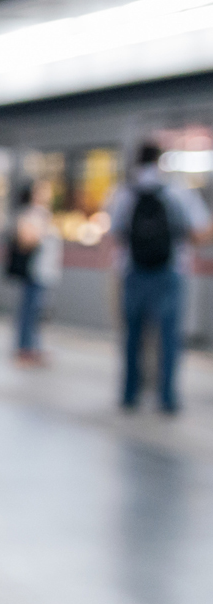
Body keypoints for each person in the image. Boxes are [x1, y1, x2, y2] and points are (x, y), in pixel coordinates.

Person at [108, 142, 213, 412]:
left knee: (132, 336)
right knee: (169, 336)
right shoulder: (176, 190)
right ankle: (166, 398)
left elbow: (114, 232)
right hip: (170, 271)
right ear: (160, 161)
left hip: (132, 270)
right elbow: (200, 232)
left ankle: (129, 395)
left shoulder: (123, 192)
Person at [6, 178, 62, 367]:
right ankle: (24, 348)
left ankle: (34, 346)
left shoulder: (44, 213)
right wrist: (39, 233)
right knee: (29, 311)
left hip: (47, 272)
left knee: (39, 312)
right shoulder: (29, 214)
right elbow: (25, 240)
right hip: (34, 272)